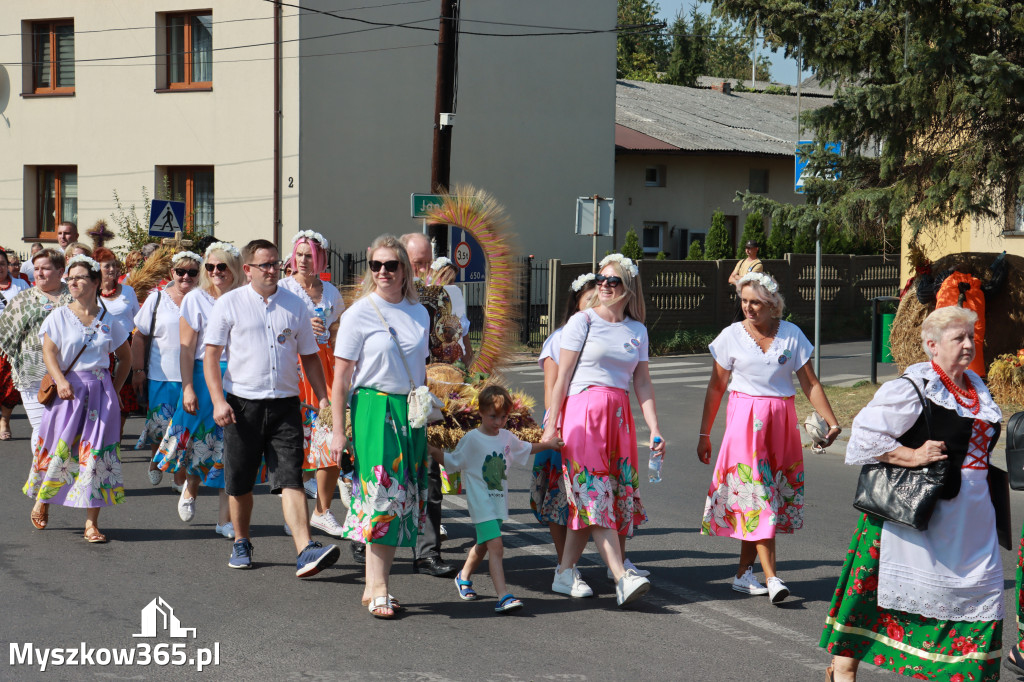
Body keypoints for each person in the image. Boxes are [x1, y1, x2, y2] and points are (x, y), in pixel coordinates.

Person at [820, 306, 1004, 682]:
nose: (969, 345)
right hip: (916, 515)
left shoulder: (977, 387)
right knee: (873, 602)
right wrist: (914, 455)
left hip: (973, 517)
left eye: (972, 337)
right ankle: (842, 673)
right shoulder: (914, 386)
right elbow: (865, 438)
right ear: (932, 346)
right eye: (959, 338)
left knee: (977, 600)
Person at [697, 272, 840, 605]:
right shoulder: (731, 336)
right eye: (744, 301)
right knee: (758, 495)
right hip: (744, 424)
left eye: (756, 303)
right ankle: (772, 577)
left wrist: (833, 423)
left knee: (764, 498)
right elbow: (716, 387)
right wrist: (705, 434)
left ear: (773, 305)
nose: (748, 308)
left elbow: (810, 385)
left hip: (780, 424)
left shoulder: (791, 335)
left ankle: (743, 575)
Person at [205, 239, 339, 577]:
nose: (271, 270)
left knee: (290, 478)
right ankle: (242, 540)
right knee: (241, 482)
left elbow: (309, 356)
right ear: (247, 269)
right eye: (264, 264)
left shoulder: (296, 305)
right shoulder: (230, 303)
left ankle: (305, 550)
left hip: (285, 404)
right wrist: (219, 401)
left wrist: (323, 396)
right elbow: (211, 356)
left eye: (276, 264)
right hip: (241, 404)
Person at [541, 253, 665, 608]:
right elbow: (561, 378)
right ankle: (621, 576)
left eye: (613, 281)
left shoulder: (637, 330)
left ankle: (564, 572)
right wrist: (552, 426)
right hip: (582, 414)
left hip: (618, 416)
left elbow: (642, 382)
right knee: (593, 493)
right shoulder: (583, 321)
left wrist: (654, 428)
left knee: (600, 494)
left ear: (629, 288)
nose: (605, 286)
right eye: (601, 280)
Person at [331, 234, 431, 618]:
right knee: (383, 497)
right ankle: (381, 588)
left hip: (409, 413)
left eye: (391, 265)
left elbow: (419, 368)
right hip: (374, 410)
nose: (384, 272)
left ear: (405, 268)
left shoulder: (419, 312)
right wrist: (340, 431)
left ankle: (374, 584)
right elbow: (341, 378)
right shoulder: (360, 312)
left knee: (401, 495)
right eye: (377, 265)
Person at [22, 255, 132, 541]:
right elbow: (49, 352)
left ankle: (91, 523)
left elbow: (125, 357)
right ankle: (43, 500)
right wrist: (60, 381)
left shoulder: (109, 319)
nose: (73, 281)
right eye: (70, 277)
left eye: (80, 277)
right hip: (67, 393)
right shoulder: (58, 315)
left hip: (100, 393)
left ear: (96, 282)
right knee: (61, 450)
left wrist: (114, 389)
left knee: (96, 455)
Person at [430, 385, 562, 613]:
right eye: (493, 416)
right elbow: (452, 462)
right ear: (480, 412)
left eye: (503, 417)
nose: (499, 422)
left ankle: (463, 577)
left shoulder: (506, 437)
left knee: (483, 544)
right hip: (480, 502)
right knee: (497, 547)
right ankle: (503, 595)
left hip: (498, 501)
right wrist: (433, 451)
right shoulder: (472, 439)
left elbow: (526, 448)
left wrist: (548, 445)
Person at [154, 243, 244, 537]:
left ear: (234, 268)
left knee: (230, 446)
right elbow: (186, 349)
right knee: (198, 441)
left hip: (239, 377)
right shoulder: (195, 299)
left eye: (222, 266)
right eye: (210, 267)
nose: (216, 272)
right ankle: (191, 487)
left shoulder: (245, 298)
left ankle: (224, 520)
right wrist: (188, 387)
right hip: (203, 374)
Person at [279, 230, 346, 537]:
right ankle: (294, 513)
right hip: (293, 368)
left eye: (310, 255)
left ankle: (322, 510)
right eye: (299, 254)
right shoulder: (282, 288)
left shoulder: (331, 292)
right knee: (292, 443)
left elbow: (341, 330)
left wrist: (333, 330)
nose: (303, 260)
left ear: (321, 258)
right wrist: (304, 326)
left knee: (331, 438)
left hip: (325, 370)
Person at [399, 231, 456, 578]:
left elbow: (449, 344)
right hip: (389, 400)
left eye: (425, 263)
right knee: (385, 473)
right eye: (415, 264)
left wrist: (451, 351)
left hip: (426, 397)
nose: (423, 271)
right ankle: (366, 538)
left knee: (430, 477)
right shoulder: (383, 299)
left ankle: (428, 551)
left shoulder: (437, 301)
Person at [530, 273, 597, 566]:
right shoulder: (559, 338)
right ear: (576, 302)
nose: (596, 305)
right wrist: (554, 429)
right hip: (566, 425)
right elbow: (550, 391)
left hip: (594, 426)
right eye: (589, 299)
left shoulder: (604, 334)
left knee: (594, 493)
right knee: (560, 498)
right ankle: (564, 564)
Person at [132, 251, 202, 499]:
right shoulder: (157, 299)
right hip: (161, 374)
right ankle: (155, 459)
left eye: (192, 272)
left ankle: (179, 475)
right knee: (160, 425)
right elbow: (139, 335)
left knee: (183, 427)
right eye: (180, 272)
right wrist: (138, 370)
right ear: (171, 273)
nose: (186, 277)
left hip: (193, 376)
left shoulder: (203, 299)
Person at [0, 248, 72, 462]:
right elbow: (6, 335)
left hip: (71, 373)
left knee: (66, 430)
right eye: (36, 269)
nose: (39, 273)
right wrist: (26, 357)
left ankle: (60, 479)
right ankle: (42, 478)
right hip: (33, 375)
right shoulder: (22, 300)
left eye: (45, 269)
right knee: (42, 428)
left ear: (60, 271)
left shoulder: (75, 296)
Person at [92, 248, 141, 432]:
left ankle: (116, 434)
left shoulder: (128, 291)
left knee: (122, 392)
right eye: (107, 266)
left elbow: (138, 320)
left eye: (114, 265)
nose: (112, 269)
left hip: (125, 348)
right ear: (97, 268)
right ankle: (100, 431)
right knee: (100, 392)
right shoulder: (91, 293)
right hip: (100, 348)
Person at [0, 250, 32, 439]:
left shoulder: (20, 285)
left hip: (12, 345)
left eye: (3, 264)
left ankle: (4, 421)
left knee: (10, 386)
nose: (0, 268)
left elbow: (28, 311)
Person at [425, 256, 473, 366]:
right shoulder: (424, 309)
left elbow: (466, 348)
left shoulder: (458, 312)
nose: (452, 286)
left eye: (453, 282)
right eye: (448, 281)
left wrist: (471, 373)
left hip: (455, 369)